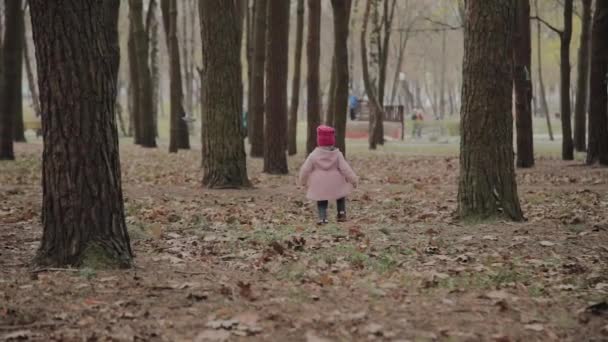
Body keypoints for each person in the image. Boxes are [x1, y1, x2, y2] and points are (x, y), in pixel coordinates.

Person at [298, 125, 358, 225]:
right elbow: (345, 169)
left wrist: (302, 182)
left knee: (321, 200)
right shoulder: (337, 154)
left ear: (319, 140)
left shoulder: (313, 155)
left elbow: (305, 169)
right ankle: (341, 213)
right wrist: (354, 180)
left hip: (319, 184)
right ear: (332, 140)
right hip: (336, 183)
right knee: (341, 195)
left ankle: (323, 218)